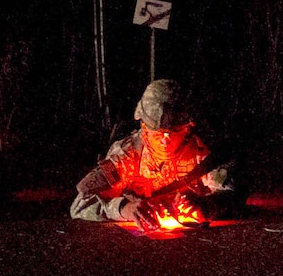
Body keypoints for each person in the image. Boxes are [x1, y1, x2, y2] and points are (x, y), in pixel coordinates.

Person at [70, 79, 241, 231]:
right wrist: (124, 208)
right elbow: (80, 204)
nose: (165, 142)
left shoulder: (201, 153)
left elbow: (234, 193)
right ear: (144, 128)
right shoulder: (128, 154)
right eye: (157, 134)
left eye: (174, 134)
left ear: (188, 129)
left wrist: (206, 206)